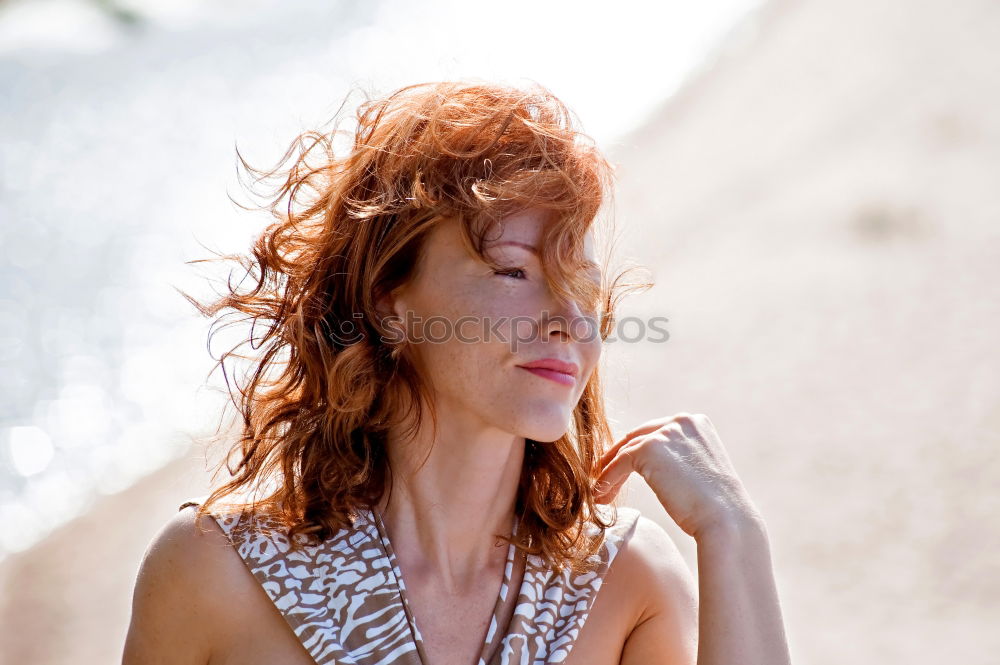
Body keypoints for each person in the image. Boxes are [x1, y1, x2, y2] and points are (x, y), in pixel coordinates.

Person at [122, 79, 791, 665]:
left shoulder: (625, 581)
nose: (567, 320)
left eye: (582, 287)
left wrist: (733, 532)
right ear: (390, 300)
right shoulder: (213, 569)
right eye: (513, 271)